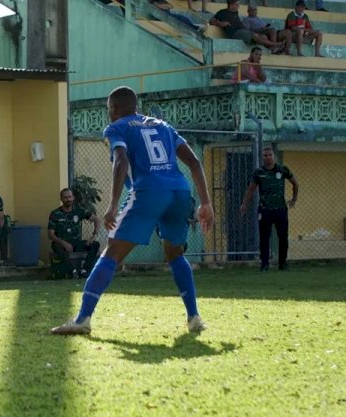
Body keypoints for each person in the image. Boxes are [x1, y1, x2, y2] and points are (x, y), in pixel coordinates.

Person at [50, 86, 215, 335]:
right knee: (175, 254)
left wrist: (113, 204)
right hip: (180, 192)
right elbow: (193, 161)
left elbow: (121, 160)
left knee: (111, 254)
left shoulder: (116, 128)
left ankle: (83, 318)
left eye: (108, 109)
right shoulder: (163, 126)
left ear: (113, 109)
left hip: (150, 191)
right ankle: (194, 317)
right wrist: (206, 203)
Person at [239, 147, 299, 271]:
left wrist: (294, 199)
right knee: (264, 237)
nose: (267, 157)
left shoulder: (282, 170)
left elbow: (295, 183)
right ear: (262, 158)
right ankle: (264, 264)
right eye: (265, 155)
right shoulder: (259, 172)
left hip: (280, 209)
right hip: (265, 209)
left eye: (269, 155)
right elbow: (251, 189)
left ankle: (283, 263)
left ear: (274, 156)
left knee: (283, 237)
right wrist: (244, 204)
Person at [48, 188, 100, 278]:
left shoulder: (79, 210)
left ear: (73, 197)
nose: (68, 199)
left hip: (76, 243)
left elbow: (96, 220)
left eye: (70, 197)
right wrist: (63, 243)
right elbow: (51, 234)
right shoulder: (55, 214)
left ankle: (85, 270)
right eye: (65, 197)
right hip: (62, 244)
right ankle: (72, 271)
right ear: (61, 199)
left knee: (95, 244)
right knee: (55, 246)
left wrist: (93, 236)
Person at [210, 0, 284, 53]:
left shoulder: (236, 12)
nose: (238, 6)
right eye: (237, 4)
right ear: (231, 4)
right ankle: (275, 44)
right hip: (235, 32)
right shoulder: (223, 12)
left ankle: (273, 48)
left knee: (263, 36)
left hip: (242, 30)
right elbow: (211, 20)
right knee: (255, 35)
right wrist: (221, 23)